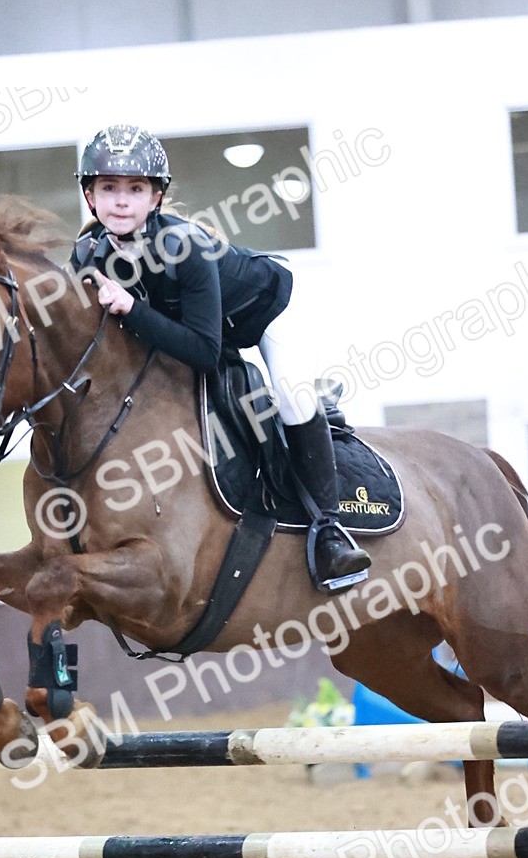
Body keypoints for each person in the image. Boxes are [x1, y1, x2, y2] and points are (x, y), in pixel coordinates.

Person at [70, 123, 371, 595]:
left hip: (266, 314)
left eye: (135, 188)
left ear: (156, 198)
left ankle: (330, 532)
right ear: (90, 197)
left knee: (290, 399)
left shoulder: (185, 248)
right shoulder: (87, 254)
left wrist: (132, 308)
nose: (122, 200)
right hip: (201, 328)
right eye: (109, 188)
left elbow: (206, 354)